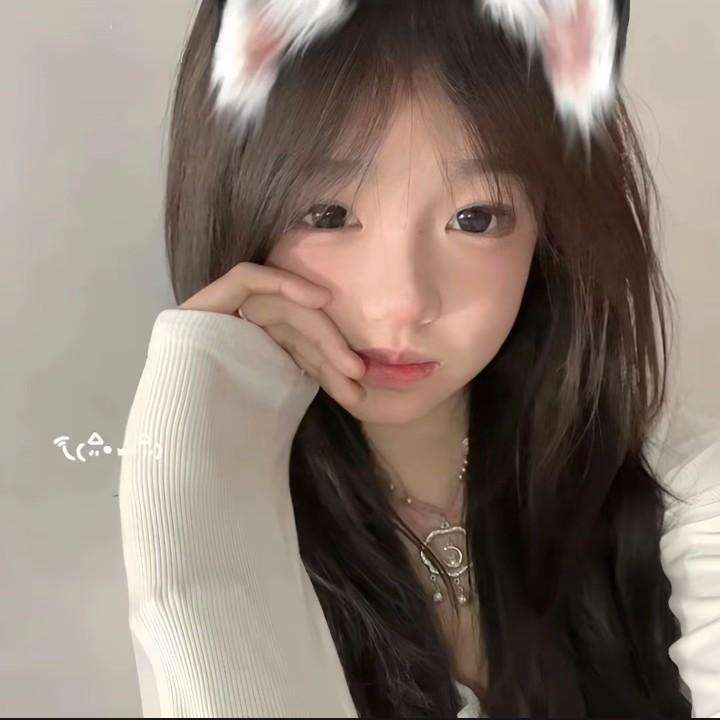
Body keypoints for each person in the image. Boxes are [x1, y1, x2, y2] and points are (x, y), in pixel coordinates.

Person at [118, 0, 720, 717]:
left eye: (476, 217)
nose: (402, 303)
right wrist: (194, 492)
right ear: (233, 198)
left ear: (552, 230)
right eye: (327, 214)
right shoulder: (216, 506)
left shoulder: (676, 485)